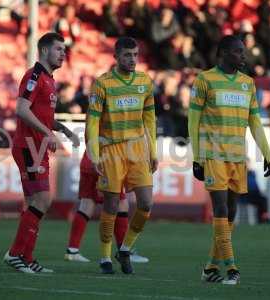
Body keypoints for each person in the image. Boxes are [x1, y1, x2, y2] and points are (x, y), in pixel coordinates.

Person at [188, 35, 270, 285]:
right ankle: (232, 267)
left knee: (231, 213)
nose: (243, 56)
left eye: (243, 52)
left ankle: (210, 268)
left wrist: (267, 154)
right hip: (213, 155)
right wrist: (198, 157)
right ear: (224, 53)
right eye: (238, 52)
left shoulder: (248, 84)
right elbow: (193, 120)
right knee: (221, 209)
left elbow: (254, 121)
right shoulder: (205, 80)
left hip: (238, 158)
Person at [4, 32, 80, 274]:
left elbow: (43, 115)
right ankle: (15, 254)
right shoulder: (34, 75)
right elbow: (22, 109)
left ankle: (26, 257)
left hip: (37, 146)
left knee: (35, 202)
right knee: (43, 200)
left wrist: (63, 128)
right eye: (59, 49)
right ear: (45, 51)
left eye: (64, 50)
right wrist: (48, 134)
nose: (63, 54)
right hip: (29, 146)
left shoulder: (49, 79)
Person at [86, 37, 157, 274]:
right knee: (112, 204)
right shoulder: (102, 84)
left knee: (146, 203)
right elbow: (93, 121)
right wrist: (95, 154)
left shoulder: (144, 82)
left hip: (137, 148)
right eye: (127, 55)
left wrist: (153, 151)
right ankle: (105, 257)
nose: (132, 60)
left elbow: (149, 119)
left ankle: (125, 248)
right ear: (115, 57)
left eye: (135, 55)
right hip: (112, 149)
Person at [64, 150, 149, 264]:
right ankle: (123, 251)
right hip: (106, 164)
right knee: (121, 204)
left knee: (87, 204)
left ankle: (72, 250)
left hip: (88, 161)